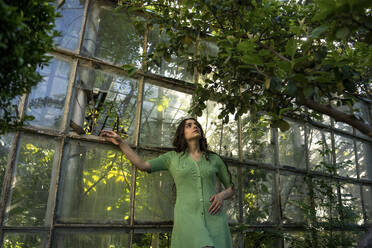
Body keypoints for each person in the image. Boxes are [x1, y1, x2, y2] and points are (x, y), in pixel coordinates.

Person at [100, 118, 235, 248]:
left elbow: (230, 188)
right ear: (182, 133)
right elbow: (142, 164)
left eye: (196, 125)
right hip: (188, 217)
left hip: (215, 217)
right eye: (189, 125)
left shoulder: (214, 159)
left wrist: (221, 196)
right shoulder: (171, 158)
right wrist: (121, 142)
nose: (195, 127)